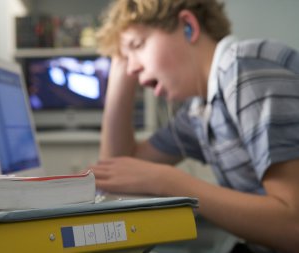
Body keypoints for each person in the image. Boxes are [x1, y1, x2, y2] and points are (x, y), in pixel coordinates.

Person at [89, 0, 299, 252]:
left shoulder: (242, 68)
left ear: (188, 25)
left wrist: (168, 181)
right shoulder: (200, 109)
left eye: (138, 45)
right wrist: (119, 69)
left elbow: (293, 227)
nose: (132, 68)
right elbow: (118, 170)